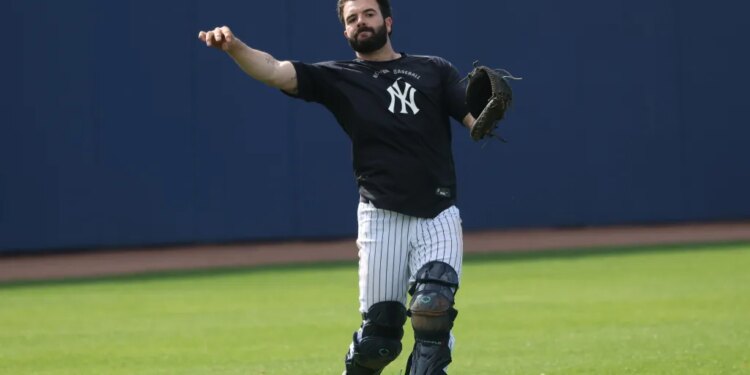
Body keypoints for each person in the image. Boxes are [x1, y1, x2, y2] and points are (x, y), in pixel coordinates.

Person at [198, 0, 476, 373]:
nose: (361, 21)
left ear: (388, 21)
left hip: (438, 211)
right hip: (381, 216)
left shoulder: (433, 69)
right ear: (345, 31)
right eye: (352, 18)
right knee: (379, 340)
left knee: (433, 309)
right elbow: (275, 71)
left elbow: (476, 122)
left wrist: (490, 112)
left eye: (369, 13)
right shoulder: (340, 77)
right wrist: (234, 47)